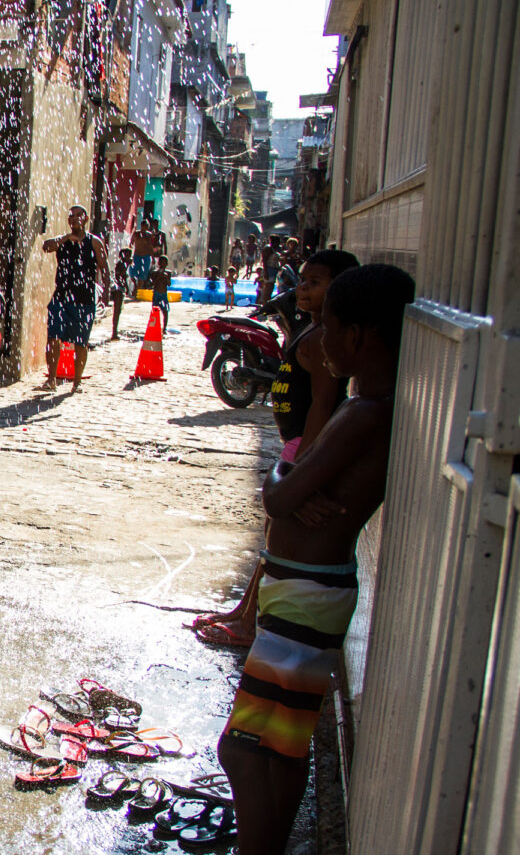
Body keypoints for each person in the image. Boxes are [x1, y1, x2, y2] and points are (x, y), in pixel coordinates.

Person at [219, 264, 414, 855]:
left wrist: (288, 473)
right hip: (313, 589)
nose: (317, 340)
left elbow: (278, 494)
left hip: (304, 593)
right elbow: (291, 492)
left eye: (326, 326)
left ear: (357, 336)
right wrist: (295, 482)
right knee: (283, 742)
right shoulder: (375, 407)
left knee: (242, 749)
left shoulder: (361, 415)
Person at [192, 250, 360, 649]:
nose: (302, 288)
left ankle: (251, 620)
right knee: (270, 536)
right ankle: (244, 611)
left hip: (305, 446)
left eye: (315, 283)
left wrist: (305, 468)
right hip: (297, 445)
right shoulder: (309, 329)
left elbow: (322, 402)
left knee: (277, 541)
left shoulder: (322, 340)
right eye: (302, 280)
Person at [38, 206, 108, 393]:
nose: (75, 218)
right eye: (72, 215)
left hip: (84, 300)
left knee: (80, 342)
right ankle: (51, 380)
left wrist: (106, 294)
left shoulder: (94, 242)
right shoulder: (63, 241)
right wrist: (66, 238)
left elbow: (104, 267)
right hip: (61, 297)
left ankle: (77, 382)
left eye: (79, 215)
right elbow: (46, 247)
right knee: (53, 338)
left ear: (85, 219)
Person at [131, 218, 161, 291]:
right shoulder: (136, 234)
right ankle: (135, 286)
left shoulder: (149, 235)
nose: (146, 227)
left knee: (143, 274)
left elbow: (150, 247)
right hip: (137, 256)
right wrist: (130, 255)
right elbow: (131, 244)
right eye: (145, 226)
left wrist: (153, 258)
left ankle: (137, 289)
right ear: (141, 225)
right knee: (133, 273)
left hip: (146, 256)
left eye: (147, 226)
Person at [111, 248, 133, 340]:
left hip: (119, 289)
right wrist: (127, 288)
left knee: (117, 311)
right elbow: (121, 277)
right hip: (118, 290)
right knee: (117, 311)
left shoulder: (122, 263)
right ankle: (114, 332)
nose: (129, 257)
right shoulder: (122, 264)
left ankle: (114, 331)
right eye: (128, 255)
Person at [149, 255, 173, 332]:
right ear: (158, 263)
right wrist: (159, 277)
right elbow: (152, 284)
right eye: (161, 263)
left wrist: (165, 278)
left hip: (163, 294)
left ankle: (164, 328)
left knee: (165, 311)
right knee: (155, 312)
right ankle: (154, 328)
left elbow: (169, 284)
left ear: (167, 264)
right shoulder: (154, 273)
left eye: (164, 263)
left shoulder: (168, 273)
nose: (162, 265)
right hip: (156, 293)